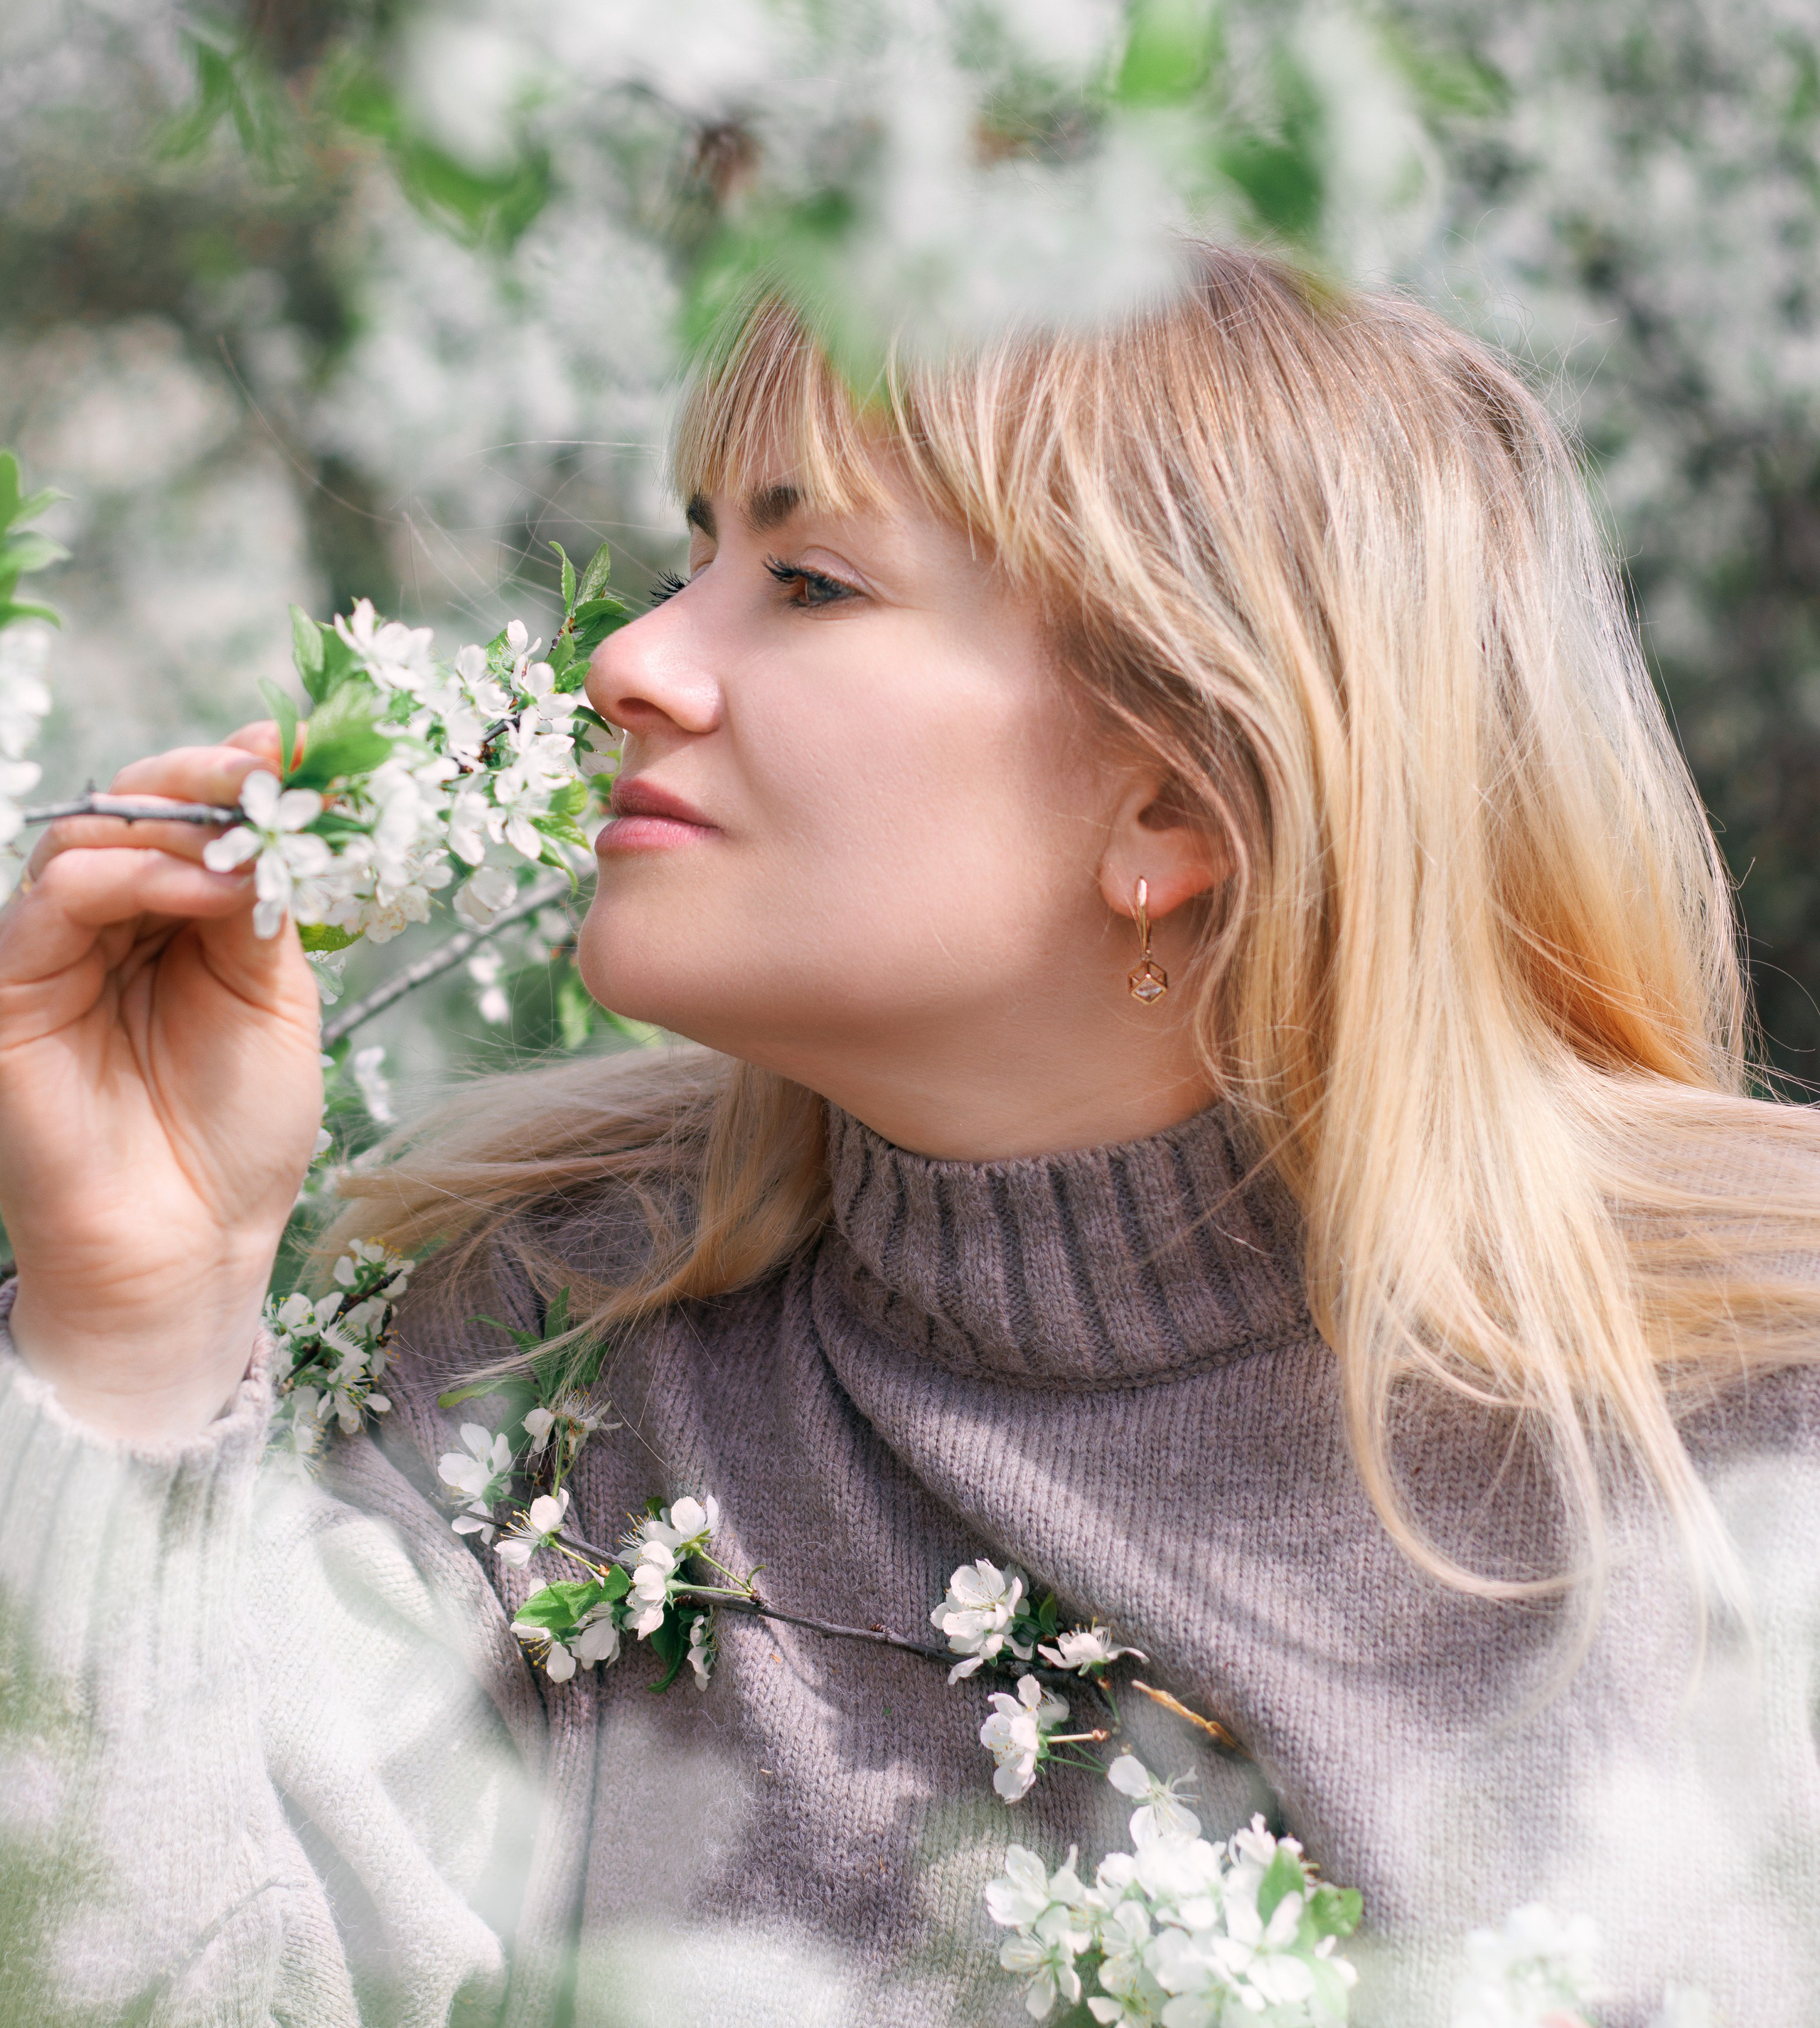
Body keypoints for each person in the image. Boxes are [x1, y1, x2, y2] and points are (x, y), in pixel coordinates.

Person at [0, 246, 1816, 2028]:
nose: (629, 661)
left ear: (1173, 799)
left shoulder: (1749, 1426)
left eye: (804, 581)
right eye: (687, 555)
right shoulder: (540, 1358)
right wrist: (132, 1330)